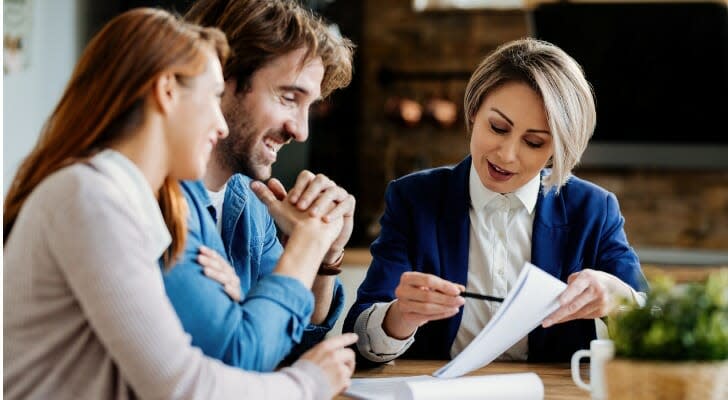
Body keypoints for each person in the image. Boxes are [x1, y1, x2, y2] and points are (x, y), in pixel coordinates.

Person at [3, 8, 355, 399]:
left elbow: (280, 348)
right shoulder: (97, 198)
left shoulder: (236, 202)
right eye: (212, 96)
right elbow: (190, 382)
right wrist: (305, 247)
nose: (218, 124)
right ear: (167, 91)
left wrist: (260, 299)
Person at [343, 38, 648, 364]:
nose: (507, 154)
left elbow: (659, 316)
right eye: (498, 127)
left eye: (533, 142)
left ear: (557, 150)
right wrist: (400, 317)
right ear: (474, 111)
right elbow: (357, 339)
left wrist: (621, 300)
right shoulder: (414, 198)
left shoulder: (593, 210)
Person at [160, 0, 356, 372]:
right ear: (222, 78)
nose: (300, 131)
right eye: (288, 98)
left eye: (308, 107)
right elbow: (237, 356)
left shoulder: (251, 202)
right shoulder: (158, 200)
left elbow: (294, 349)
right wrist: (307, 242)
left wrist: (325, 256)